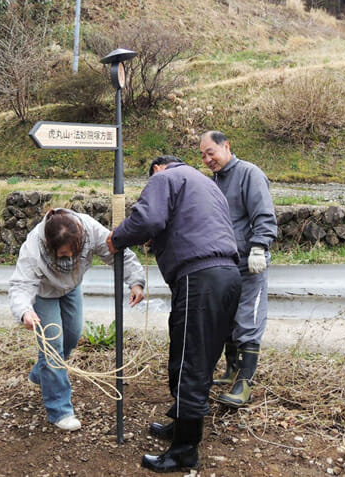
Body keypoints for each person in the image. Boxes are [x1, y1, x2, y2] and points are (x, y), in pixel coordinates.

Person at [107, 155, 241, 473]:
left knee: (187, 362)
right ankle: (180, 427)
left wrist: (118, 238)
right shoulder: (205, 184)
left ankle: (184, 451)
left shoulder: (164, 178)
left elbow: (147, 219)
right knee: (202, 359)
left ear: (156, 168)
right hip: (228, 275)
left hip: (200, 276)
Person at [9, 207, 145, 431]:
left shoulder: (90, 230)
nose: (70, 258)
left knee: (71, 337)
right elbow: (21, 284)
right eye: (63, 255)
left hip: (71, 288)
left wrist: (136, 281)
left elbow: (117, 251)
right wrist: (24, 311)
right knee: (52, 348)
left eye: (74, 253)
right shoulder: (34, 246)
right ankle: (60, 410)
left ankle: (41, 375)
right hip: (44, 293)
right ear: (50, 247)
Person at [199, 131, 278, 408]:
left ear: (226, 146)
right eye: (203, 155)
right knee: (226, 319)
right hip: (223, 264)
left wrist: (259, 246)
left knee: (248, 319)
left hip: (249, 263)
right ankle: (231, 369)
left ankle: (244, 383)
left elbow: (264, 214)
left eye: (211, 152)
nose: (208, 159)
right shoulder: (213, 183)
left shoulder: (249, 174)